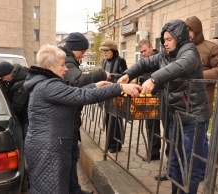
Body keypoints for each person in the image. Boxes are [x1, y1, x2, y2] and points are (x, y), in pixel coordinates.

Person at [23, 44, 142, 194]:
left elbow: (73, 93)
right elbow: (81, 96)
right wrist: (119, 88)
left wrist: (94, 86)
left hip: (47, 145)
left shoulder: (45, 83)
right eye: (62, 65)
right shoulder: (48, 86)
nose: (66, 69)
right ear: (49, 66)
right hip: (48, 148)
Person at [118, 20, 211, 194]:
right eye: (164, 40)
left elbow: (181, 65)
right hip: (174, 115)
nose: (165, 43)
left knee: (189, 164)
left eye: (169, 39)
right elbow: (145, 63)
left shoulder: (189, 51)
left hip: (193, 117)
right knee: (174, 161)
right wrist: (127, 74)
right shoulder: (165, 54)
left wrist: (154, 79)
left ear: (179, 37)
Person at [59, 32, 110, 194]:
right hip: (66, 122)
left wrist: (95, 85)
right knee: (70, 158)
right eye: (83, 51)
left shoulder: (68, 59)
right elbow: (77, 82)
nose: (83, 55)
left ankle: (75, 189)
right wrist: (100, 74)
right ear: (75, 48)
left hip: (68, 120)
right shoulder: (67, 60)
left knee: (72, 158)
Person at [185, 16, 218, 181]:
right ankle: (181, 169)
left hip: (202, 102)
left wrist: (199, 76)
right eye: (186, 30)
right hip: (182, 102)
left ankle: (202, 173)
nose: (188, 33)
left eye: (190, 29)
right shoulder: (182, 48)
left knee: (200, 140)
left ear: (197, 30)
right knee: (184, 138)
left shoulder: (211, 48)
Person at [99, 39, 128, 153]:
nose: (105, 53)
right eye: (104, 51)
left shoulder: (121, 60)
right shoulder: (105, 61)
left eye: (107, 50)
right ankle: (109, 142)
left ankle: (116, 144)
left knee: (116, 119)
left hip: (116, 93)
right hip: (106, 93)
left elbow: (125, 76)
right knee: (107, 119)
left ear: (113, 50)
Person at [137, 39, 161, 160]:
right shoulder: (143, 62)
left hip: (161, 97)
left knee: (167, 127)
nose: (143, 54)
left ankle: (170, 158)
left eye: (145, 51)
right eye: (141, 52)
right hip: (148, 98)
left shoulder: (161, 59)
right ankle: (153, 152)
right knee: (151, 126)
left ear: (151, 47)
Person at [0, 61, 29, 139]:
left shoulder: (21, 84)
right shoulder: (16, 77)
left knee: (24, 141)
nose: (3, 80)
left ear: (8, 74)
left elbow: (17, 107)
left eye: (3, 77)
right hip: (25, 116)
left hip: (27, 118)